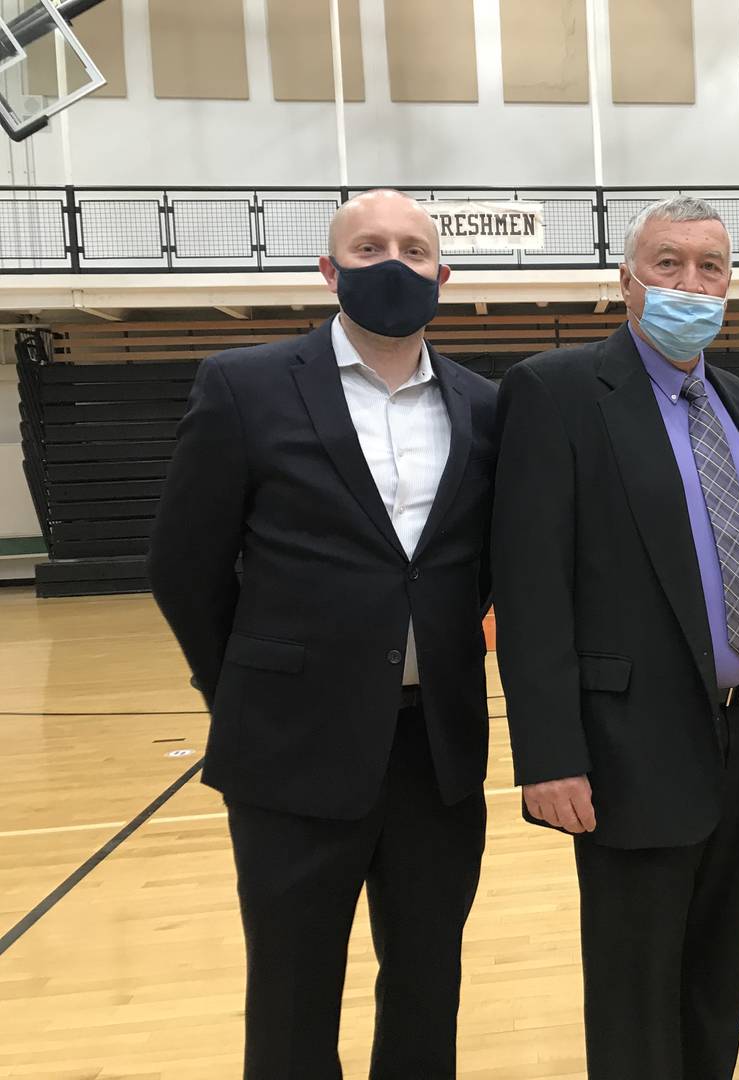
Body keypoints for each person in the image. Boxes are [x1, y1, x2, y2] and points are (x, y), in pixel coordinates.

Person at [147, 189, 498, 1079]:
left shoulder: (488, 407)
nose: (394, 262)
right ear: (328, 270)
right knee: (294, 993)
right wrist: (243, 686)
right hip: (289, 749)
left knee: (427, 984)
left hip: (436, 751)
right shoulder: (245, 385)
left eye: (415, 250)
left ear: (443, 276)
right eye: (370, 245)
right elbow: (185, 567)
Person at [490, 195, 739, 1080]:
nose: (690, 282)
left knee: (718, 982)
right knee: (638, 997)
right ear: (626, 280)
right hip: (626, 746)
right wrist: (549, 752)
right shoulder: (556, 392)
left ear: (729, 286)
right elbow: (529, 589)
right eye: (668, 262)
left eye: (709, 267)